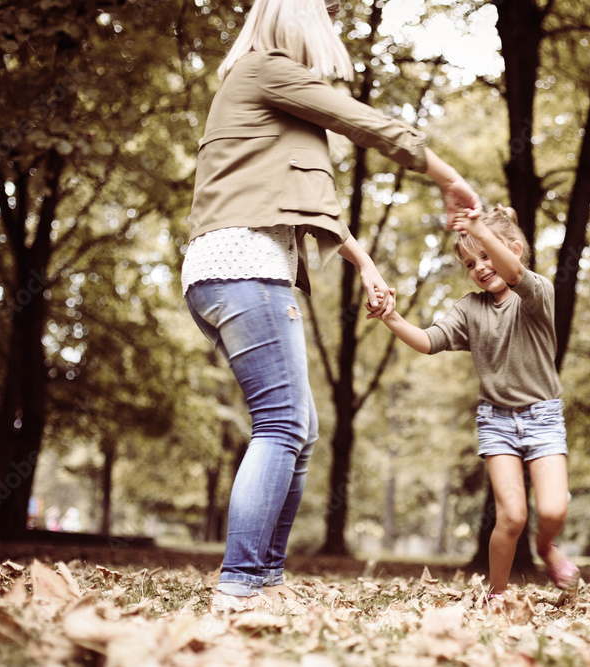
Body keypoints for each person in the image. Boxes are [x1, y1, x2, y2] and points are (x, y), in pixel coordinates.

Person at [181, 0, 481, 615]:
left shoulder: (257, 91)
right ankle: (241, 585)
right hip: (245, 268)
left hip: (224, 270)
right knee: (281, 425)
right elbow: (364, 122)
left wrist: (365, 263)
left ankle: (264, 580)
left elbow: (300, 203)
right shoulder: (268, 69)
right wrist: (448, 176)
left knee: (301, 429)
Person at [376, 206, 579, 600]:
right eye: (470, 263)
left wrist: (477, 230)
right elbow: (429, 341)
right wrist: (391, 316)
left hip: (543, 416)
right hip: (497, 420)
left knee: (553, 511)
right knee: (512, 516)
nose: (480, 267)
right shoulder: (470, 308)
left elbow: (516, 274)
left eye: (487, 256)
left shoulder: (536, 294)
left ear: (514, 250)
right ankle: (497, 597)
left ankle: (545, 548)